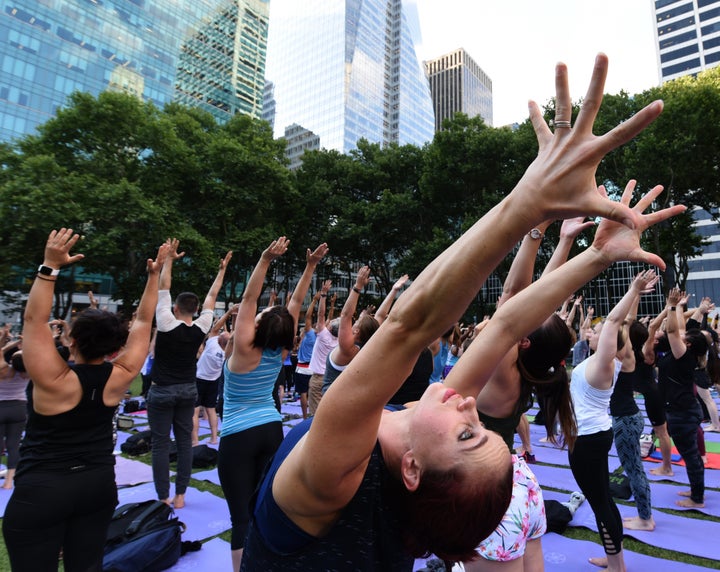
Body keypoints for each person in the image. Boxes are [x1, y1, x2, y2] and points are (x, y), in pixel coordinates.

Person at [238, 55, 685, 571]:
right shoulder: (426, 443)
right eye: (479, 428)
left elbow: (408, 327)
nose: (472, 409)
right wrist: (596, 257)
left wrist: (529, 203)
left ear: (412, 469)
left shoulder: (332, 478)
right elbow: (507, 324)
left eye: (468, 434)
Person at [2, 228, 166, 571]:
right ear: (115, 348)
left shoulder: (52, 379)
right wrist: (155, 277)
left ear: (71, 340)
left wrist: (50, 266)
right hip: (96, 485)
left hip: (43, 489)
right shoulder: (120, 376)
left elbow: (34, 320)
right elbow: (145, 321)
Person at [218, 237, 328, 570]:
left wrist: (265, 259)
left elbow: (250, 296)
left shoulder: (244, 347)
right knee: (262, 506)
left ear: (258, 324)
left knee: (240, 517)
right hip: (270, 429)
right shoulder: (279, 350)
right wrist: (309, 267)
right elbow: (295, 302)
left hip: (238, 435)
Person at [569, 269, 660, 571]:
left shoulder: (603, 366)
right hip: (595, 434)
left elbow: (614, 322)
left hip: (589, 439)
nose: (590, 332)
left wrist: (633, 288)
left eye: (595, 332)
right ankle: (614, 561)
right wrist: (634, 293)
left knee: (600, 503)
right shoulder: (604, 361)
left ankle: (617, 566)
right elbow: (624, 323)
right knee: (603, 499)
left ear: (609, 343)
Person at [147, 239, 232, 509]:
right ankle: (181, 495)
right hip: (187, 389)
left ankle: (163, 496)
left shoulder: (165, 321)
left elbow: (164, 287)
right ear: (196, 311)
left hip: (162, 390)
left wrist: (169, 259)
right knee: (185, 443)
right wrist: (221, 271)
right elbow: (211, 297)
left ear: (175, 308)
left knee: (161, 445)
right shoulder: (201, 326)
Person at [610, 280, 660, 532]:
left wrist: (635, 293)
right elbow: (629, 320)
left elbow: (626, 320)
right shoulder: (628, 353)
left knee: (634, 470)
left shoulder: (626, 355)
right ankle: (644, 515)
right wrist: (636, 293)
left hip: (626, 420)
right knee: (634, 469)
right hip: (627, 416)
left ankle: (645, 518)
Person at [656, 289, 708, 508]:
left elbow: (671, 331)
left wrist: (670, 306)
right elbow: (679, 329)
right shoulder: (685, 354)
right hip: (683, 410)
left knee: (691, 456)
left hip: (682, 413)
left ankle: (697, 498)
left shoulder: (682, 356)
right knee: (692, 455)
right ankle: (697, 490)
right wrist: (679, 307)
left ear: (688, 345)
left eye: (684, 338)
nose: (681, 335)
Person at [320, 266, 379, 396]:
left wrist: (357, 287)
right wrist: (394, 290)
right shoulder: (367, 350)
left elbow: (346, 315)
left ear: (357, 331)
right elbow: (378, 319)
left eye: (357, 322)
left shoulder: (348, 350)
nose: (355, 321)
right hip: (350, 399)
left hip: (333, 402)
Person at [192, 305, 237, 445]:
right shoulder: (228, 354)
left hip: (199, 379)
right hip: (213, 381)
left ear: (218, 340)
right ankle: (214, 438)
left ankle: (194, 441)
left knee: (194, 411)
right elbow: (234, 334)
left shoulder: (212, 344)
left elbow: (216, 328)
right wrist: (235, 317)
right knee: (211, 410)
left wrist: (229, 312)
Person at [294, 281, 332, 419]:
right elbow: (327, 318)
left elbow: (308, 316)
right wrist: (331, 304)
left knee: (303, 394)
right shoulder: (322, 338)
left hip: (302, 367)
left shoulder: (309, 333)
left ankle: (305, 418)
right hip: (314, 369)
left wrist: (315, 300)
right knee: (313, 395)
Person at [0, 337, 30, 489]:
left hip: (1, 408)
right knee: (13, 445)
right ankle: (9, 482)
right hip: (19, 408)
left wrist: (10, 344)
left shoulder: (3, 370)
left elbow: (1, 350)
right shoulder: (28, 373)